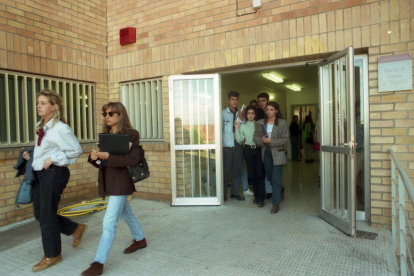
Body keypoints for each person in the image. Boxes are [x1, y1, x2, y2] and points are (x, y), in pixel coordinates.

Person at [22, 89, 84, 272]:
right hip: (41, 173)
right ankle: (75, 229)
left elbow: (75, 150)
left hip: (55, 173)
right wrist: (32, 156)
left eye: (42, 103)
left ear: (53, 106)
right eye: (38, 102)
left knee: (47, 215)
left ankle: (53, 255)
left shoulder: (61, 128)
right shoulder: (41, 125)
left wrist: (54, 159)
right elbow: (45, 150)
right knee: (40, 213)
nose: (38, 106)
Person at [81, 102, 146, 276]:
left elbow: (133, 159)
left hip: (122, 182)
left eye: (111, 113)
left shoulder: (131, 134)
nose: (107, 116)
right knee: (126, 213)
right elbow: (102, 163)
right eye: (105, 114)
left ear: (120, 115)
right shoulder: (105, 135)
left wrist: (110, 156)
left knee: (109, 222)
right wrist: (94, 157)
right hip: (108, 182)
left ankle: (98, 262)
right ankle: (140, 239)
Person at [254, 101, 288, 214]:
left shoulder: (282, 123)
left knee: (276, 179)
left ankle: (275, 203)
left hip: (278, 153)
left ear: (276, 110)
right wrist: (263, 140)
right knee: (269, 177)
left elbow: (285, 139)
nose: (269, 111)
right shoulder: (260, 122)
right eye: (267, 109)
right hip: (266, 152)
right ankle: (281, 189)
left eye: (271, 109)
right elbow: (255, 138)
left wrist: (271, 141)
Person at [235, 106, 266, 207]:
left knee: (260, 174)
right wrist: (237, 129)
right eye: (248, 113)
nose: (250, 115)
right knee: (252, 175)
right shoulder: (243, 126)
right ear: (246, 115)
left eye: (252, 113)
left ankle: (261, 198)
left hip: (258, 150)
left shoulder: (259, 125)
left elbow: (264, 138)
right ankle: (256, 196)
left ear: (255, 114)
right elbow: (239, 140)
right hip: (248, 150)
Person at [222, 91, 245, 201]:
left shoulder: (240, 113)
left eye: (236, 99)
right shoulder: (222, 113)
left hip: (238, 145)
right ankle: (223, 194)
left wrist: (243, 119)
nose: (234, 101)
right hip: (227, 145)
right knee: (225, 170)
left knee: (237, 170)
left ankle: (235, 193)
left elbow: (243, 129)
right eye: (232, 99)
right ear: (228, 100)